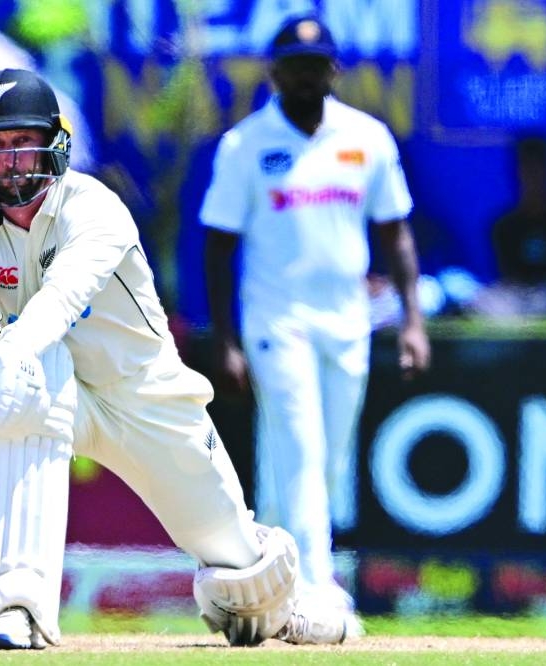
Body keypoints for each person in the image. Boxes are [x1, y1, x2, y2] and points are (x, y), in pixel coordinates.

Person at [0, 68, 352, 651]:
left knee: (238, 572)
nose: (11, 160)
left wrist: (1, 360)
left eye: (23, 142)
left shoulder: (97, 209)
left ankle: (288, 609)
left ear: (54, 144)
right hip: (54, 390)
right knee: (19, 395)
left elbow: (59, 302)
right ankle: (14, 607)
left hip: (144, 394)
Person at [199, 15, 431, 629]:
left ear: (333, 69)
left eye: (315, 65)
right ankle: (320, 594)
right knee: (298, 448)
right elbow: (218, 247)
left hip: (347, 321)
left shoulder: (367, 138)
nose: (305, 77)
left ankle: (267, 586)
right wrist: (226, 339)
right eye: (293, 66)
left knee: (324, 461)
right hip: (278, 320)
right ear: (274, 72)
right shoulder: (246, 145)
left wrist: (412, 321)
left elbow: (395, 232)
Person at [491, 135, 546, 287]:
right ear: (518, 172)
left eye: (539, 167)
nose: (534, 176)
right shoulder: (504, 225)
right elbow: (507, 275)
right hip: (519, 297)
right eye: (528, 168)